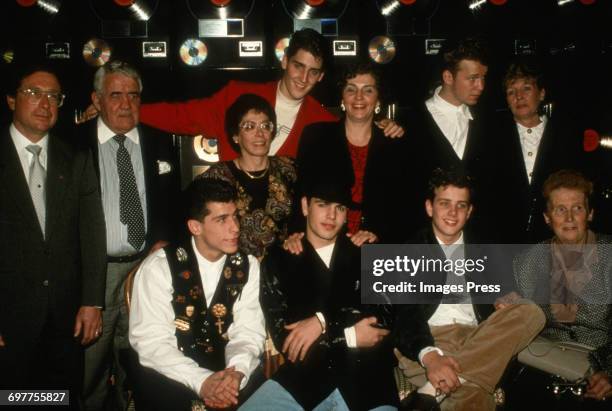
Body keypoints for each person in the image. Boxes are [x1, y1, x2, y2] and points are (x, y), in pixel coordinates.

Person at [241, 173, 402, 411]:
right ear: (306, 206)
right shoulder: (279, 259)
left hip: (367, 381)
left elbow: (383, 320)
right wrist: (349, 335)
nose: (331, 215)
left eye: (339, 208)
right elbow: (286, 338)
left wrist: (322, 322)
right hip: (304, 380)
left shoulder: (367, 251)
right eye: (322, 205)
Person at [0, 63, 106, 405]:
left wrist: (92, 301)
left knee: (58, 400)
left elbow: (92, 234)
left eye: (54, 96)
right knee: (13, 400)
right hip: (9, 317)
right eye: (33, 93)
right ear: (11, 100)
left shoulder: (76, 158)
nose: (45, 103)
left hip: (65, 318)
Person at [128, 28, 403, 161]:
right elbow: (182, 116)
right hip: (229, 228)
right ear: (285, 61)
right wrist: (130, 112)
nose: (303, 78)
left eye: (313, 72)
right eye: (298, 66)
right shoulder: (237, 94)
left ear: (320, 77)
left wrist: (382, 126)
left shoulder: (323, 122)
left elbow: (356, 142)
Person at [77, 60, 181, 411]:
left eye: (133, 96)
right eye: (116, 95)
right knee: (89, 367)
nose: (125, 104)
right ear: (97, 99)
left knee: (140, 361)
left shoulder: (161, 141)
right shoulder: (74, 143)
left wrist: (165, 239)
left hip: (145, 269)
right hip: (95, 274)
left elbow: (173, 203)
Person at [396, 167, 545, 411]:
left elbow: (505, 289)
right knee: (474, 398)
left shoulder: (485, 247)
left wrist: (505, 298)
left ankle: (432, 390)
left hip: (478, 339)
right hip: (430, 340)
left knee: (532, 312)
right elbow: (406, 314)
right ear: (429, 207)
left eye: (461, 205)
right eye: (444, 203)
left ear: (470, 211)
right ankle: (448, 380)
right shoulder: (408, 251)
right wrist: (432, 358)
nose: (453, 213)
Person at [129, 178, 265, 410]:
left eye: (235, 216)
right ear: (195, 227)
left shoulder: (247, 265)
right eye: (222, 219)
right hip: (173, 373)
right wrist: (202, 381)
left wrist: (236, 374)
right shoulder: (160, 267)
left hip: (228, 373)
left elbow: (248, 331)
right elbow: (152, 342)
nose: (235, 227)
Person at [513, 170, 612, 403]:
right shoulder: (527, 261)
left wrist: (609, 370)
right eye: (560, 210)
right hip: (544, 367)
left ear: (590, 213)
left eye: (577, 208)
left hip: (602, 369)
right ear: (547, 217)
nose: (569, 218)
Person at [294, 61, 411, 244]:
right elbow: (301, 192)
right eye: (351, 89)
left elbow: (404, 207)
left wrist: (377, 233)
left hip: (378, 247)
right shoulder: (316, 136)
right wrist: (296, 234)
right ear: (342, 97)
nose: (359, 97)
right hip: (325, 244)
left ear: (378, 100)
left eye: (368, 90)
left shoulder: (395, 143)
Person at [405, 37, 494, 239]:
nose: (480, 86)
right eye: (472, 78)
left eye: (483, 78)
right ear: (448, 76)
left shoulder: (488, 124)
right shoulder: (410, 123)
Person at [495, 59, 584, 244]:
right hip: (504, 242)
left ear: (541, 93)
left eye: (526, 88)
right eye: (511, 92)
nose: (519, 96)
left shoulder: (566, 137)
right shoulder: (493, 139)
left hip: (555, 240)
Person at [198, 93, 296, 258]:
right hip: (235, 272)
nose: (260, 134)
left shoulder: (289, 169)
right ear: (236, 135)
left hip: (285, 269)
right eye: (249, 127)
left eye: (265, 126)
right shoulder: (216, 176)